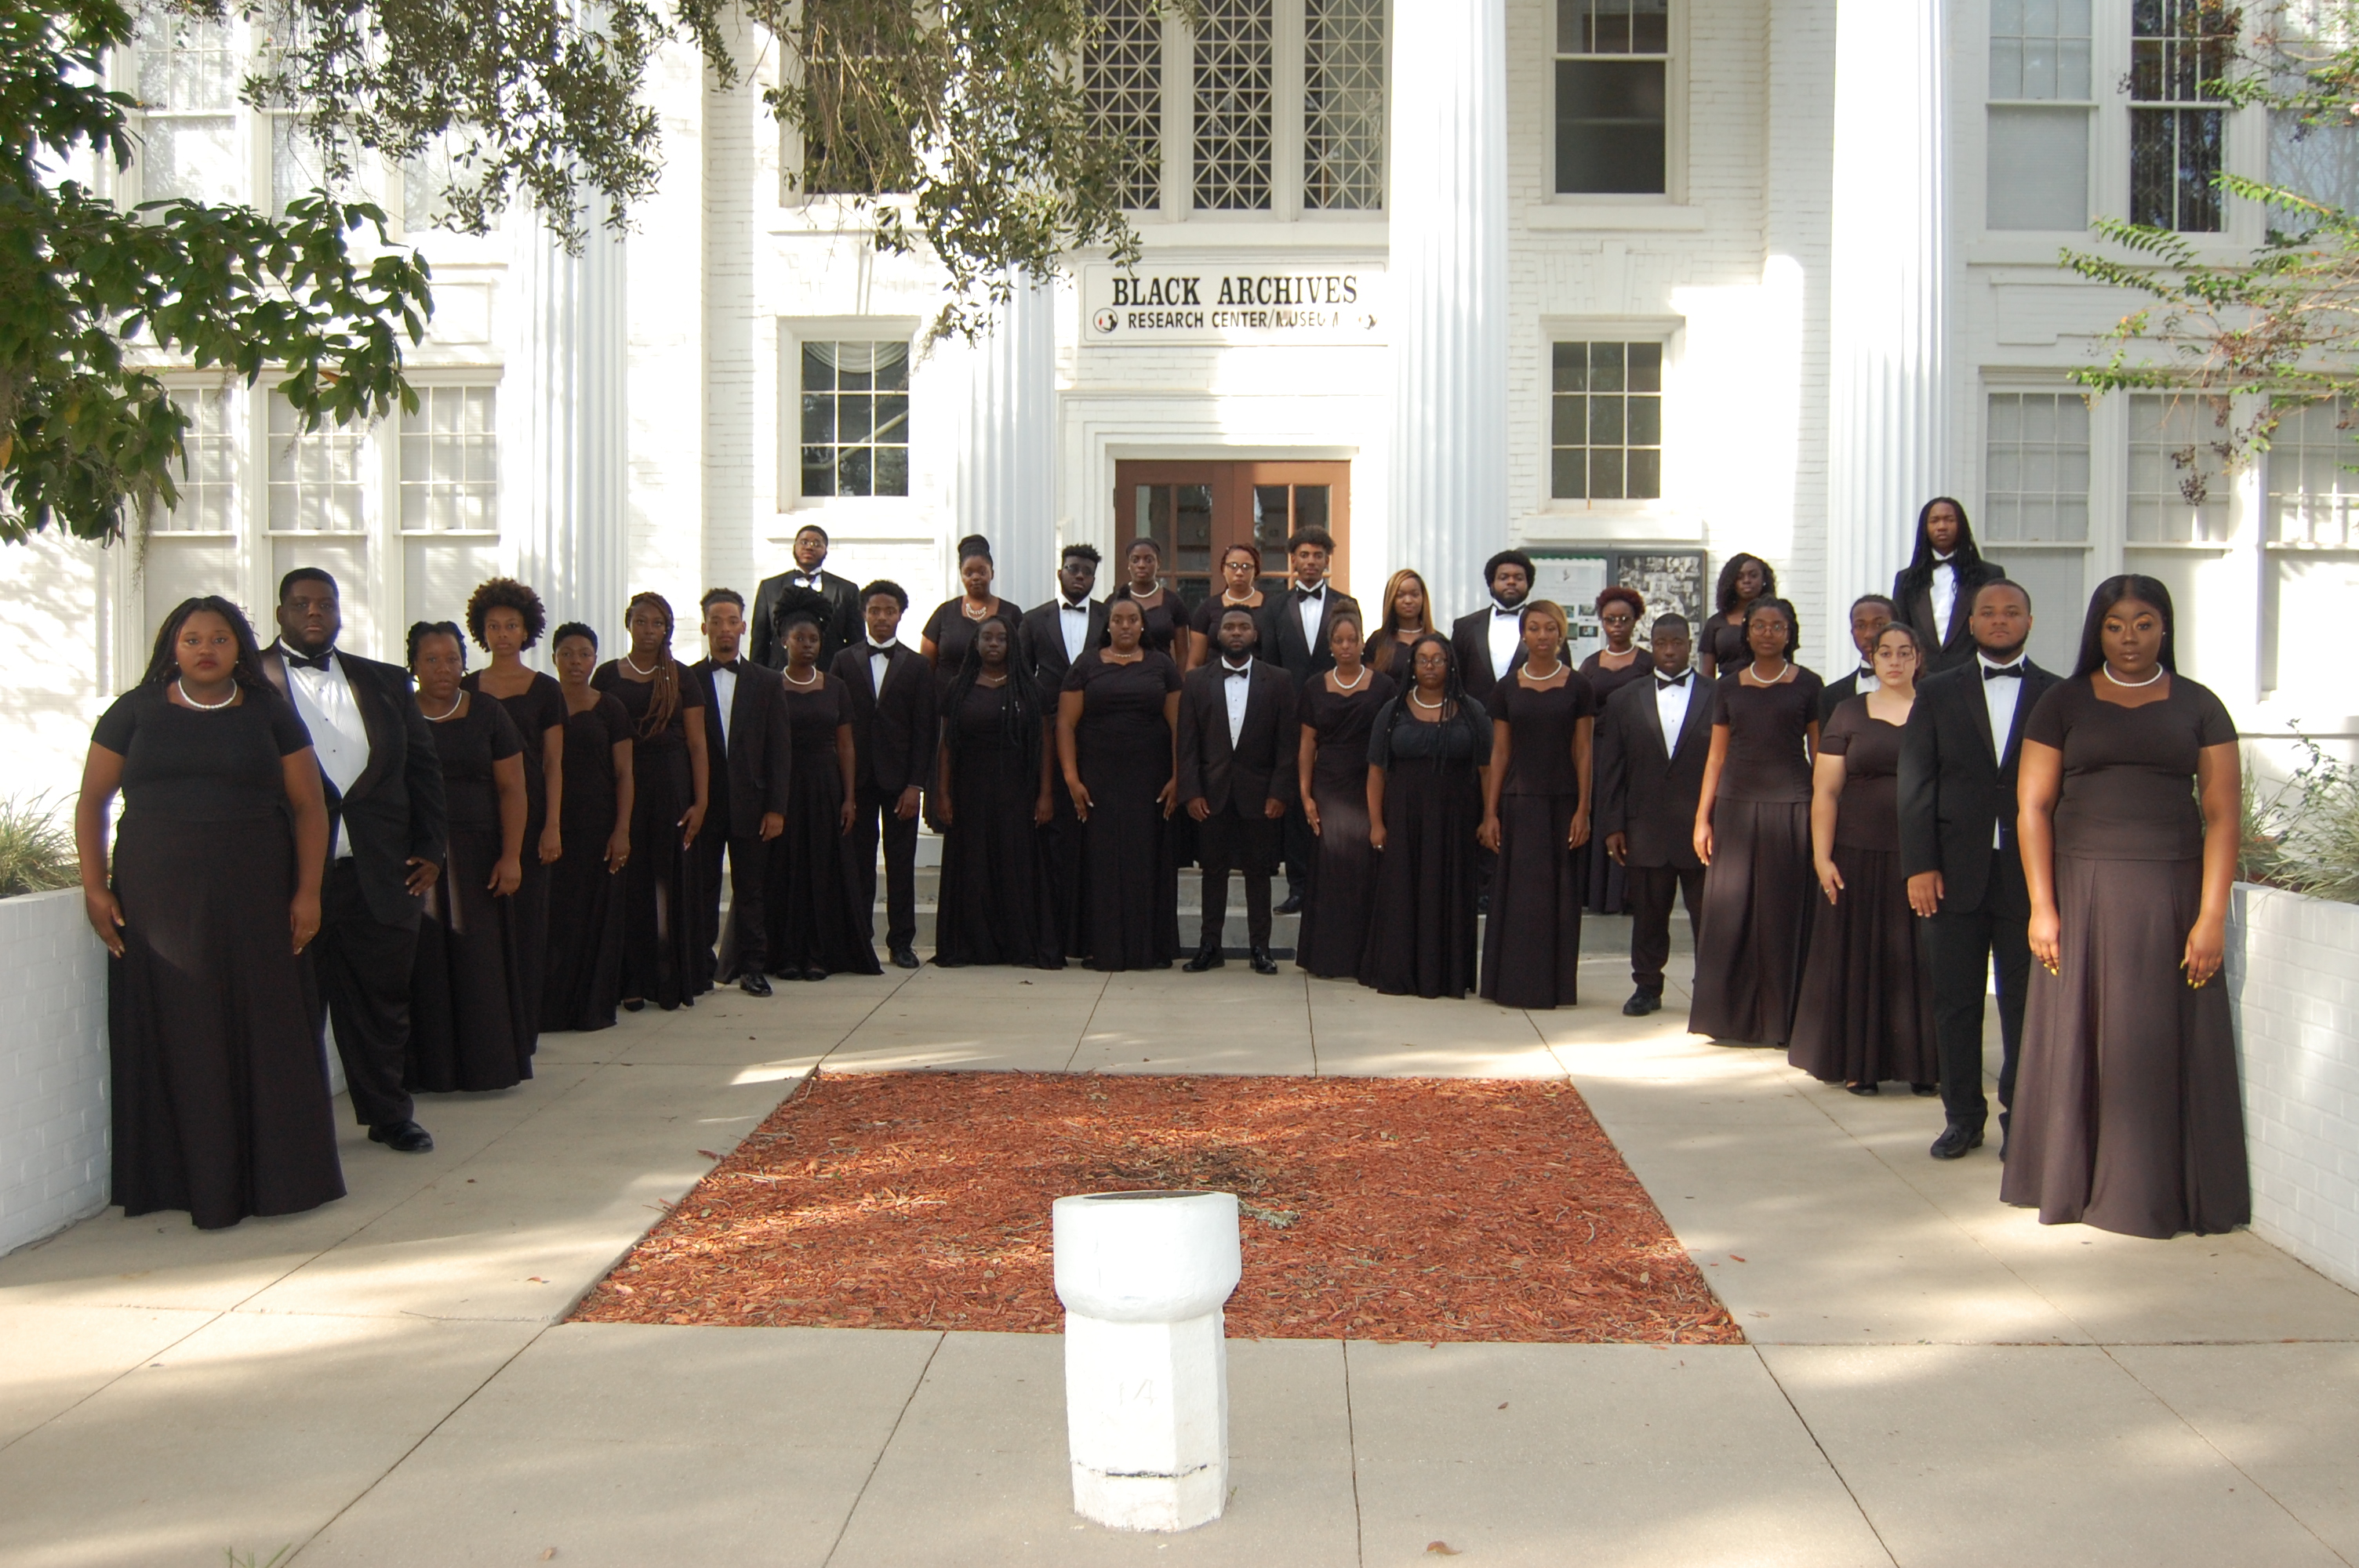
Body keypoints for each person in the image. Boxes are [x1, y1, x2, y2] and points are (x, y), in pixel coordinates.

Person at [76, 597, 343, 1229]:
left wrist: (309, 893)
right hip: (157, 899)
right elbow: (92, 802)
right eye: (192, 638)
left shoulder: (270, 715)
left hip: (256, 896)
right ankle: (185, 1181)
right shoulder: (131, 713)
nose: (205, 649)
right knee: (182, 1029)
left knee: (264, 1030)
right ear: (173, 645)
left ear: (238, 649)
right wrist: (94, 888)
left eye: (219, 639)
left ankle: (275, 1182)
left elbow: (310, 808)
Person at [2003, 579, 2248, 1238]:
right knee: (2080, 1037)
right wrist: (2042, 906)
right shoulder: (2062, 702)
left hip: (2172, 897)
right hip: (2081, 894)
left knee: (2160, 1040)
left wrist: (2211, 916)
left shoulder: (2201, 706)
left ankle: (2158, 1193)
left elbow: (2225, 816)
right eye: (2116, 626)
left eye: (2144, 624)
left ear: (2165, 628)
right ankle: (2074, 1184)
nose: (2130, 639)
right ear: (2098, 630)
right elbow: (2032, 808)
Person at [261, 568, 447, 1155]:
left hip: (379, 875)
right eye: (301, 603)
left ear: (340, 612)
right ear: (280, 612)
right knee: (292, 1010)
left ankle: (389, 1116)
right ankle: (297, 1127)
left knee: (381, 1006)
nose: (314, 612)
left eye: (325, 603)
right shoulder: (250, 683)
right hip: (290, 882)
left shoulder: (388, 682)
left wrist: (433, 848)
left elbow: (423, 770)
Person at [1897, 578, 2058, 1160]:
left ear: (2030, 622)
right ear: (1970, 622)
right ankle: (1962, 1117)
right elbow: (1916, 782)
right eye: (1987, 612)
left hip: (2028, 878)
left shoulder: (2057, 694)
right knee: (1956, 1002)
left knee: (2025, 1005)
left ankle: (2024, 1120)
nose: (1999, 621)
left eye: (2011, 612)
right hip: (1950, 874)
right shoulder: (1937, 690)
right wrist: (1919, 865)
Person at [1788, 623, 1939, 1094]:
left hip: (1921, 857)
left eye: (1904, 653)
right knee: (1859, 960)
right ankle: (1860, 1064)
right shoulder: (1849, 712)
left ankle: (1924, 1067)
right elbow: (1826, 792)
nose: (1894, 662)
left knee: (1921, 961)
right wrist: (1822, 857)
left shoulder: (1939, 711)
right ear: (1872, 659)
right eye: (1885, 653)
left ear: (1918, 659)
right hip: (1857, 855)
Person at [404, 621, 533, 1094]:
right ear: (413, 665)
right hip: (417, 858)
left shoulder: (488, 713)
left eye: (453, 659)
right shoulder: (397, 715)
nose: (444, 669)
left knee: (478, 964)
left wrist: (512, 856)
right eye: (432, 659)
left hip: (479, 855)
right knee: (426, 966)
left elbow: (512, 788)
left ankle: (486, 1069)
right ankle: (430, 1072)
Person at [1688, 597, 1822, 1046]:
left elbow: (1821, 758)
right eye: (1760, 625)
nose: (1768, 633)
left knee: (1784, 915)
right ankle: (1729, 1020)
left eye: (1777, 626)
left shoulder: (1810, 684)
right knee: (1732, 912)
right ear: (1747, 632)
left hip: (1793, 807)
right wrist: (1702, 818)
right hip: (1735, 807)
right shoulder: (1726, 687)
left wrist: (1824, 817)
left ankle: (1784, 1020)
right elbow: (1715, 757)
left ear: (1790, 633)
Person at [460, 578, 564, 1057]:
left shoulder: (546, 689)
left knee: (526, 928)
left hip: (531, 814)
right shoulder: (464, 686)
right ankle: (483, 1029)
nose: (503, 634)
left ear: (528, 631)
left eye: (512, 626)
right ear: (482, 632)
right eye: (494, 626)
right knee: (479, 928)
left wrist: (552, 826)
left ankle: (523, 1034)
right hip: (476, 818)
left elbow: (553, 764)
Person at [591, 592, 709, 1011]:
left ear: (667, 629)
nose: (648, 630)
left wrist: (701, 802)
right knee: (627, 884)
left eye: (656, 623)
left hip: (671, 788)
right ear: (628, 624)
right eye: (641, 622)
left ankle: (668, 978)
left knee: (667, 885)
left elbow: (698, 744)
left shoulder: (681, 677)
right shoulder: (606, 676)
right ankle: (629, 979)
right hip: (622, 788)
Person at [1359, 636, 1492, 999]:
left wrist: (1489, 817)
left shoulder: (1472, 711)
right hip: (1403, 818)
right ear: (1412, 667)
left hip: (1455, 820)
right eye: (1423, 660)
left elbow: (1486, 770)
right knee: (1403, 894)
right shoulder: (1393, 711)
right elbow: (1375, 772)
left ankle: (1445, 977)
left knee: (1449, 893)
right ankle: (1401, 974)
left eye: (1438, 660)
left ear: (1451, 665)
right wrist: (1376, 823)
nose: (1430, 667)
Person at [1478, 601, 1596, 1009]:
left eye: (1550, 628)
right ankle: (1509, 983)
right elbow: (1500, 753)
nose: (1542, 636)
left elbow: (1583, 751)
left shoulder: (1579, 686)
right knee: (1518, 896)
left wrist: (1584, 809)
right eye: (1534, 628)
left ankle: (1556, 985)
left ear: (1561, 635)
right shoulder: (1506, 688)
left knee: (1558, 897)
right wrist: (1490, 813)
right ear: (1523, 635)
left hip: (1562, 803)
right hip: (1519, 802)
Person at [1059, 596, 1185, 971]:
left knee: (1144, 859)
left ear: (1143, 625)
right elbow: (1065, 724)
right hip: (1097, 779)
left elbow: (1179, 726)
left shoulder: (1161, 666)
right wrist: (1071, 778)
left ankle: (1148, 948)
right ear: (1108, 625)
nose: (1126, 626)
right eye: (1118, 620)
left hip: (1150, 779)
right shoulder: (1086, 665)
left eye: (1133, 619)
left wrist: (1179, 776)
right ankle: (1103, 946)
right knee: (1101, 861)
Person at [1596, 614, 1713, 1016]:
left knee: (1707, 915)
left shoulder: (1718, 695)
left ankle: (1710, 989)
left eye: (1676, 642)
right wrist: (1612, 823)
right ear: (1651, 644)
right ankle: (1647, 986)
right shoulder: (1625, 699)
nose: (1668, 650)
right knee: (1648, 914)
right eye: (1661, 642)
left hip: (1702, 830)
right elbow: (1612, 766)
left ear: (1689, 643)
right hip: (1644, 825)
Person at [932, 618, 1064, 969]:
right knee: (973, 864)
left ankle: (1018, 945)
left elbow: (1046, 745)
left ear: (1012, 645)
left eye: (1001, 638)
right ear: (976, 642)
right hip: (969, 790)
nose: (994, 643)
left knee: (1016, 864)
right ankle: (973, 946)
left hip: (1017, 791)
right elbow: (946, 745)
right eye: (987, 637)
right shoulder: (958, 687)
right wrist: (942, 794)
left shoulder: (1029, 688)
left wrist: (1046, 794)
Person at [1178, 607, 1301, 975]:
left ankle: (1260, 948)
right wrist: (1192, 791)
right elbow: (1187, 744)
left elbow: (1287, 744)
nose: (1236, 632)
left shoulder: (1278, 680)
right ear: (1217, 634)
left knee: (1259, 873)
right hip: (1211, 793)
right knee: (1212, 872)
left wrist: (1280, 792)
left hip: (1261, 795)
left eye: (1243, 627)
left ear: (1255, 634)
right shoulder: (1197, 681)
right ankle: (1209, 945)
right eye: (1229, 626)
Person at [766, 588, 881, 980]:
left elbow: (846, 747)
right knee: (785, 872)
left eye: (814, 639)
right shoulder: (768, 686)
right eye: (800, 639)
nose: (808, 646)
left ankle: (818, 954)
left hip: (824, 789)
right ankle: (785, 955)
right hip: (782, 789)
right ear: (784, 641)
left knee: (822, 871)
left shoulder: (835, 687)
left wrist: (849, 797)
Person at [688, 590, 792, 996]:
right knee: (703, 887)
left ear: (744, 627)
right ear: (705, 628)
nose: (725, 630)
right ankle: (699, 965)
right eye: (717, 622)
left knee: (751, 889)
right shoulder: (689, 679)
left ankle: (751, 967)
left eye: (732, 621)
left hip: (753, 803)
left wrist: (777, 808)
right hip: (705, 804)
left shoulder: (767, 682)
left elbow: (779, 750)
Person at [831, 579, 938, 970]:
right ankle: (859, 941)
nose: (881, 618)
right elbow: (836, 725)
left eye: (889, 611)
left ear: (900, 615)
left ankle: (902, 943)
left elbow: (925, 729)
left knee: (901, 864)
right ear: (863, 614)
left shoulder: (917, 665)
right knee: (858, 864)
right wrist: (843, 789)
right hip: (856, 781)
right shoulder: (844, 661)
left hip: (900, 783)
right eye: (874, 611)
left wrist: (916, 785)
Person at [1257, 527, 1360, 913]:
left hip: (1338, 715)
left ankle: (1333, 882)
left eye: (1318, 555)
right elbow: (1268, 664)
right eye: (1304, 555)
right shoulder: (1274, 607)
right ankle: (1298, 885)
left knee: (1335, 801)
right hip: (1291, 719)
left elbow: (1352, 656)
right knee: (1297, 803)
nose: (1311, 562)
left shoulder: (1346, 603)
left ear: (1327, 561)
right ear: (1292, 560)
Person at [1018, 544, 1108, 957]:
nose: (1079, 577)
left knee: (1094, 835)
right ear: (1060, 573)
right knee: (1055, 834)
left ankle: (1092, 932)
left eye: (1087, 572)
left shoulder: (1110, 618)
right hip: (1047, 731)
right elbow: (1021, 674)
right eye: (1073, 569)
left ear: (1094, 577)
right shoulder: (1033, 620)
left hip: (1099, 734)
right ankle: (1051, 934)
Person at [542, 624, 632, 1033]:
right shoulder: (542, 702)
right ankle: (550, 1009)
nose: (575, 662)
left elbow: (625, 774)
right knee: (554, 919)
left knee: (594, 918)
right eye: (566, 653)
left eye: (584, 654)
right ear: (554, 657)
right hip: (550, 826)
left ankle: (591, 1008)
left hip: (597, 826)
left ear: (595, 658)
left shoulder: (610, 707)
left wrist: (622, 830)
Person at [1296, 612, 1396, 979]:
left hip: (1370, 781)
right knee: (1333, 869)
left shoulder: (1385, 686)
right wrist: (1306, 795)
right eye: (1339, 641)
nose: (1346, 647)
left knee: (1368, 868)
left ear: (1361, 642)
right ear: (1330, 646)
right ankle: (1330, 957)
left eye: (1352, 639)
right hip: (1329, 785)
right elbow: (1307, 744)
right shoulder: (1314, 687)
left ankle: (1366, 957)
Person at [1578, 585, 1654, 916]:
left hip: (1637, 752)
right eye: (1610, 619)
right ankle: (1599, 895)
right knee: (1601, 814)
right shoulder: (1591, 664)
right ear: (1602, 623)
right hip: (1598, 749)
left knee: (1630, 817)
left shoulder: (1648, 662)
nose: (1618, 625)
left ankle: (1628, 894)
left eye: (1625, 618)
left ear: (1636, 621)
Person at [1893, 497, 2005, 673]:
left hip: (1971, 675)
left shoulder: (1989, 575)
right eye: (1935, 521)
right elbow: (1900, 631)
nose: (1942, 526)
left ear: (1961, 525)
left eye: (1949, 520)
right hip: (1921, 678)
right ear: (1925, 528)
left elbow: (1993, 627)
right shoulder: (1906, 579)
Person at [921, 535, 1025, 699]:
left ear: (992, 573)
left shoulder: (1011, 613)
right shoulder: (944, 613)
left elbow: (1022, 662)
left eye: (982, 572)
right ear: (961, 576)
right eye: (968, 573)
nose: (975, 577)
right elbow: (926, 667)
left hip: (999, 703)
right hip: (948, 703)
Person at [751, 523, 861, 671]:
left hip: (830, 675)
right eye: (804, 542)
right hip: (778, 677)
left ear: (826, 551)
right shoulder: (769, 588)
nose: (809, 547)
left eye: (817, 543)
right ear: (794, 547)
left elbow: (856, 643)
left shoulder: (847, 590)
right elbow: (760, 641)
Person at [1449, 549, 1534, 709]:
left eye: (1518, 578)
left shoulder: (1546, 626)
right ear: (1491, 584)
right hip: (1476, 723)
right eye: (1503, 577)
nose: (1511, 582)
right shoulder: (1465, 627)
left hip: (1529, 721)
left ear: (1528, 584)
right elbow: (1454, 679)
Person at [1187, 543, 1270, 671]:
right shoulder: (1207, 608)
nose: (1239, 572)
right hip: (1214, 682)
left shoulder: (1271, 606)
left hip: (1261, 681)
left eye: (1246, 567)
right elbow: (1195, 662)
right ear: (1223, 570)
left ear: (1256, 571)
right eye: (1233, 566)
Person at [1104, 537, 1192, 659]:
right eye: (1135, 560)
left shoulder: (1173, 602)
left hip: (1162, 674)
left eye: (1148, 560)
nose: (1141, 565)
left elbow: (1183, 654)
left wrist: (1182, 678)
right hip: (1122, 673)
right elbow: (1104, 645)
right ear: (1128, 565)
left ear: (1159, 563)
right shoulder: (1114, 601)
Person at [1698, 554, 1776, 680]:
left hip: (1768, 691)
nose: (1747, 580)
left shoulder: (1778, 619)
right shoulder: (1715, 623)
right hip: (1726, 694)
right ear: (1731, 582)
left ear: (1764, 579)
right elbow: (1707, 675)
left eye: (1753, 575)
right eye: (1740, 577)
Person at [1819, 594, 1898, 721]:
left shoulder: (1925, 688)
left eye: (1879, 624)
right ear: (1852, 632)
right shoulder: (1830, 696)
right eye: (1860, 626)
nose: (1869, 634)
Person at [1365, 568, 1437, 686]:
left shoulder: (1437, 641)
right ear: (1391, 599)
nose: (1408, 601)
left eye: (1414, 595)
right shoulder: (1378, 641)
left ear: (1423, 598)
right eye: (1400, 595)